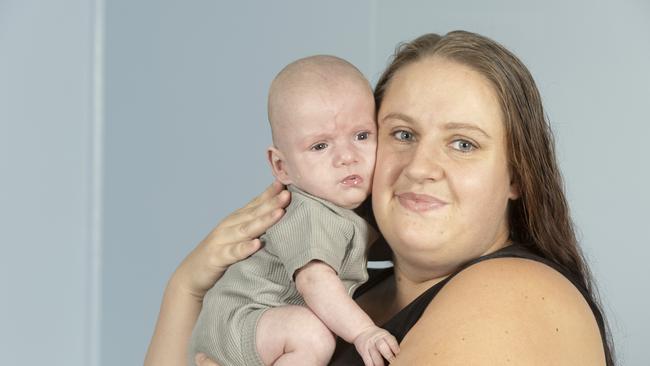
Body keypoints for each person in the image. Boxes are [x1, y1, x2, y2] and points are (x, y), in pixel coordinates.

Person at [145, 30, 615, 366]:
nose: (420, 167)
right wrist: (187, 285)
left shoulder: (512, 293)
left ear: (517, 176)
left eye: (463, 143)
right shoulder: (358, 295)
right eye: (403, 133)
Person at [187, 55, 399, 366]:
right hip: (243, 319)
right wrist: (364, 332)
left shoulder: (348, 211)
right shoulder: (311, 212)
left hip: (255, 325)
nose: (346, 156)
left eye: (361, 136)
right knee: (311, 335)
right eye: (320, 146)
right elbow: (315, 281)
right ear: (281, 167)